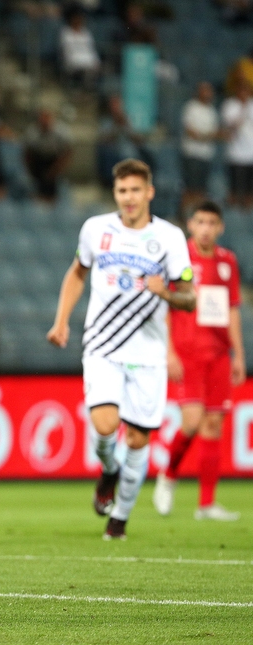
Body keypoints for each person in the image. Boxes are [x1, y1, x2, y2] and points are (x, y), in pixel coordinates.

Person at [47, 158, 195, 541]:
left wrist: (169, 292)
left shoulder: (170, 238)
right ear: (115, 193)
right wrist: (62, 320)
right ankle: (108, 470)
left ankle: (120, 518)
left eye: (134, 190)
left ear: (149, 192)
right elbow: (78, 272)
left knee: (138, 439)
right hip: (102, 345)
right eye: (121, 191)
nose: (128, 198)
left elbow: (190, 296)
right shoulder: (96, 230)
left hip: (148, 353)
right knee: (105, 425)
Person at [154, 202, 245, 521]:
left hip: (219, 355)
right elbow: (164, 306)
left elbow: (232, 308)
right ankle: (169, 474)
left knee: (213, 424)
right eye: (201, 222)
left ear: (220, 227)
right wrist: (169, 352)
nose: (206, 228)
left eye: (212, 223)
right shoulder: (179, 260)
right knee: (191, 422)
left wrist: (238, 354)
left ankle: (206, 504)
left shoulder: (227, 262)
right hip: (188, 353)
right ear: (190, 225)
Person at [179, 82, 220, 216]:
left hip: (206, 155)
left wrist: (204, 136)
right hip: (192, 154)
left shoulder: (212, 111)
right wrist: (206, 136)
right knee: (190, 189)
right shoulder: (191, 107)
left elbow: (215, 133)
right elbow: (190, 131)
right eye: (205, 90)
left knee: (201, 190)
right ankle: (183, 217)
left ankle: (197, 217)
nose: (208, 94)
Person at [24, 108, 72, 203]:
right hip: (38, 160)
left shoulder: (61, 131)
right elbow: (27, 152)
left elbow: (68, 151)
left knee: (51, 187)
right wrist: (30, 169)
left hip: (54, 160)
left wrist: (57, 168)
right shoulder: (32, 132)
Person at [221, 80, 253, 209]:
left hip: (251, 152)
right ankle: (233, 209)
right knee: (235, 187)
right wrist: (243, 109)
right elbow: (231, 125)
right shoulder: (230, 105)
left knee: (249, 189)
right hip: (236, 153)